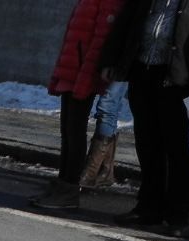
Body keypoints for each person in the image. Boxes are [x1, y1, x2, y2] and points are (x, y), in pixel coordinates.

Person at [102, 0, 189, 239]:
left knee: (181, 148)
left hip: (184, 75)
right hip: (144, 67)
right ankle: (149, 207)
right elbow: (129, 15)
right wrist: (112, 57)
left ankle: (182, 214)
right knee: (148, 143)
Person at [32, 0, 126, 211]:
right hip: (72, 69)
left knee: (75, 131)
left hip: (82, 73)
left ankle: (69, 188)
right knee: (67, 129)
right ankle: (61, 183)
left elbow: (100, 40)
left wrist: (84, 80)